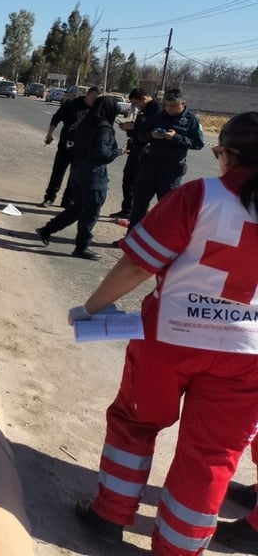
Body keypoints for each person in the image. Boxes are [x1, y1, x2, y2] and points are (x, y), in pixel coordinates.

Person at [68, 111, 258, 556]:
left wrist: (90, 308)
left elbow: (138, 263)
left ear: (230, 154)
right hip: (246, 357)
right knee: (211, 456)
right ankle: (177, 549)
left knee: (135, 424)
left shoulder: (200, 195)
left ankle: (110, 515)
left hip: (169, 341)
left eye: (219, 153)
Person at [35, 95, 121, 259]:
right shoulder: (104, 128)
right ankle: (82, 246)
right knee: (91, 211)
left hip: (78, 170)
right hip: (94, 175)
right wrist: (118, 152)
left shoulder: (85, 123)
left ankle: (48, 229)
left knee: (77, 208)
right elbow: (103, 154)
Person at [127, 88, 205, 229]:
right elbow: (140, 136)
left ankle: (161, 243)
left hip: (171, 171)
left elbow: (198, 143)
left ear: (183, 104)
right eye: (166, 105)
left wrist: (176, 137)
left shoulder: (191, 120)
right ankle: (132, 239)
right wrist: (151, 134)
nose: (169, 109)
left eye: (173, 106)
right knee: (139, 203)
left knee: (168, 207)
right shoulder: (158, 116)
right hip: (150, 167)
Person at [40, 86, 99, 207]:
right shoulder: (72, 104)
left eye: (96, 99)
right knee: (58, 172)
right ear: (87, 94)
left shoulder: (96, 110)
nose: (93, 100)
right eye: (93, 97)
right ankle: (49, 198)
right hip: (66, 144)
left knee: (75, 175)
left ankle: (68, 200)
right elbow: (56, 118)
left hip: (82, 148)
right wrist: (50, 133)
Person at [111, 87, 161, 219]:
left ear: (143, 98)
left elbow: (153, 133)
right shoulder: (144, 110)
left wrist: (134, 127)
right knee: (127, 180)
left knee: (136, 183)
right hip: (136, 148)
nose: (135, 106)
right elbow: (139, 129)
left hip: (145, 152)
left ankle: (135, 212)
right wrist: (129, 128)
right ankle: (127, 209)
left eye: (135, 103)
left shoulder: (157, 110)